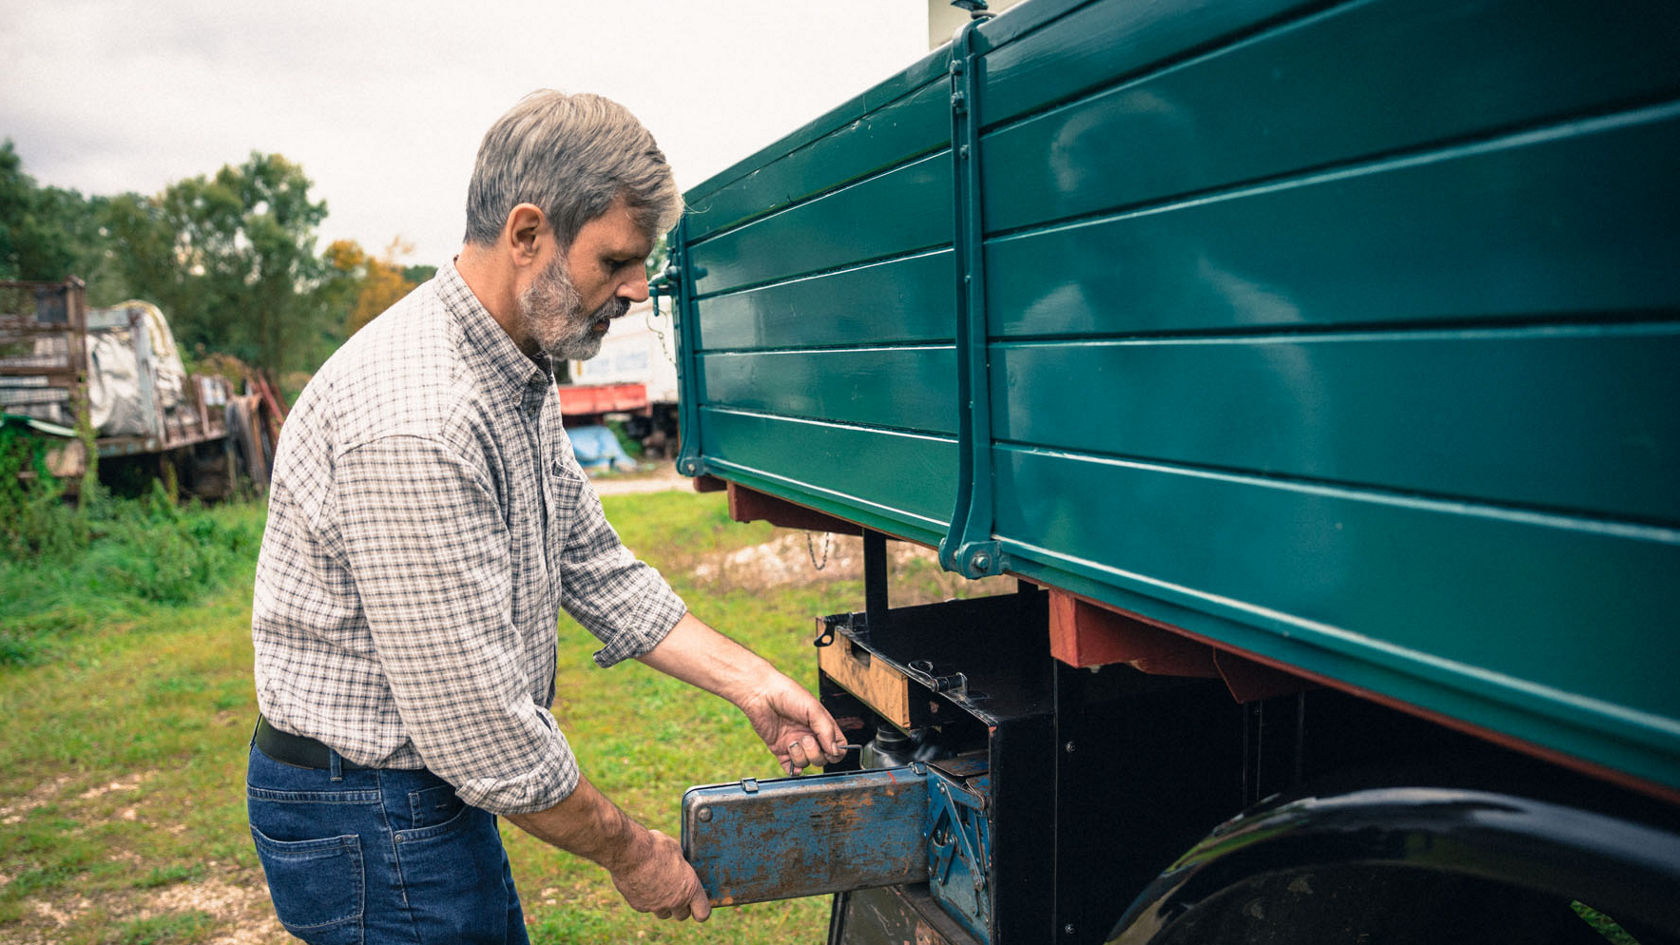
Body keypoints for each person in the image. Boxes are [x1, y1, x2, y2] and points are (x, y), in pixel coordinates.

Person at [247, 90, 847, 944]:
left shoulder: (512, 365)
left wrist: (754, 683)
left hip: (419, 787)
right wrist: (635, 851)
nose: (638, 289)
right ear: (527, 235)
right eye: (616, 260)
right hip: (369, 808)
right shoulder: (421, 417)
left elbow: (591, 563)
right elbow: (483, 732)